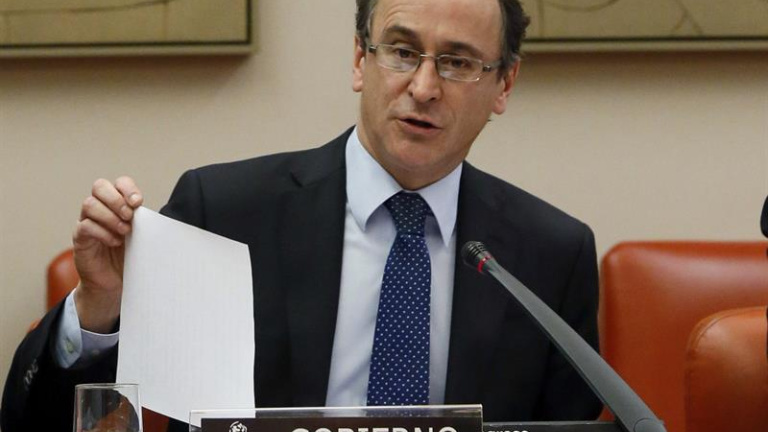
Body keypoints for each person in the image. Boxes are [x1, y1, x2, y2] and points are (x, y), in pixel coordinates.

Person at [1, 0, 602, 431]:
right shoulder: (224, 213)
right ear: (360, 59)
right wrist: (101, 309)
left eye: (458, 62)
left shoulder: (550, 256)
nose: (423, 87)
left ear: (504, 85)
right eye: (401, 51)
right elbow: (40, 421)